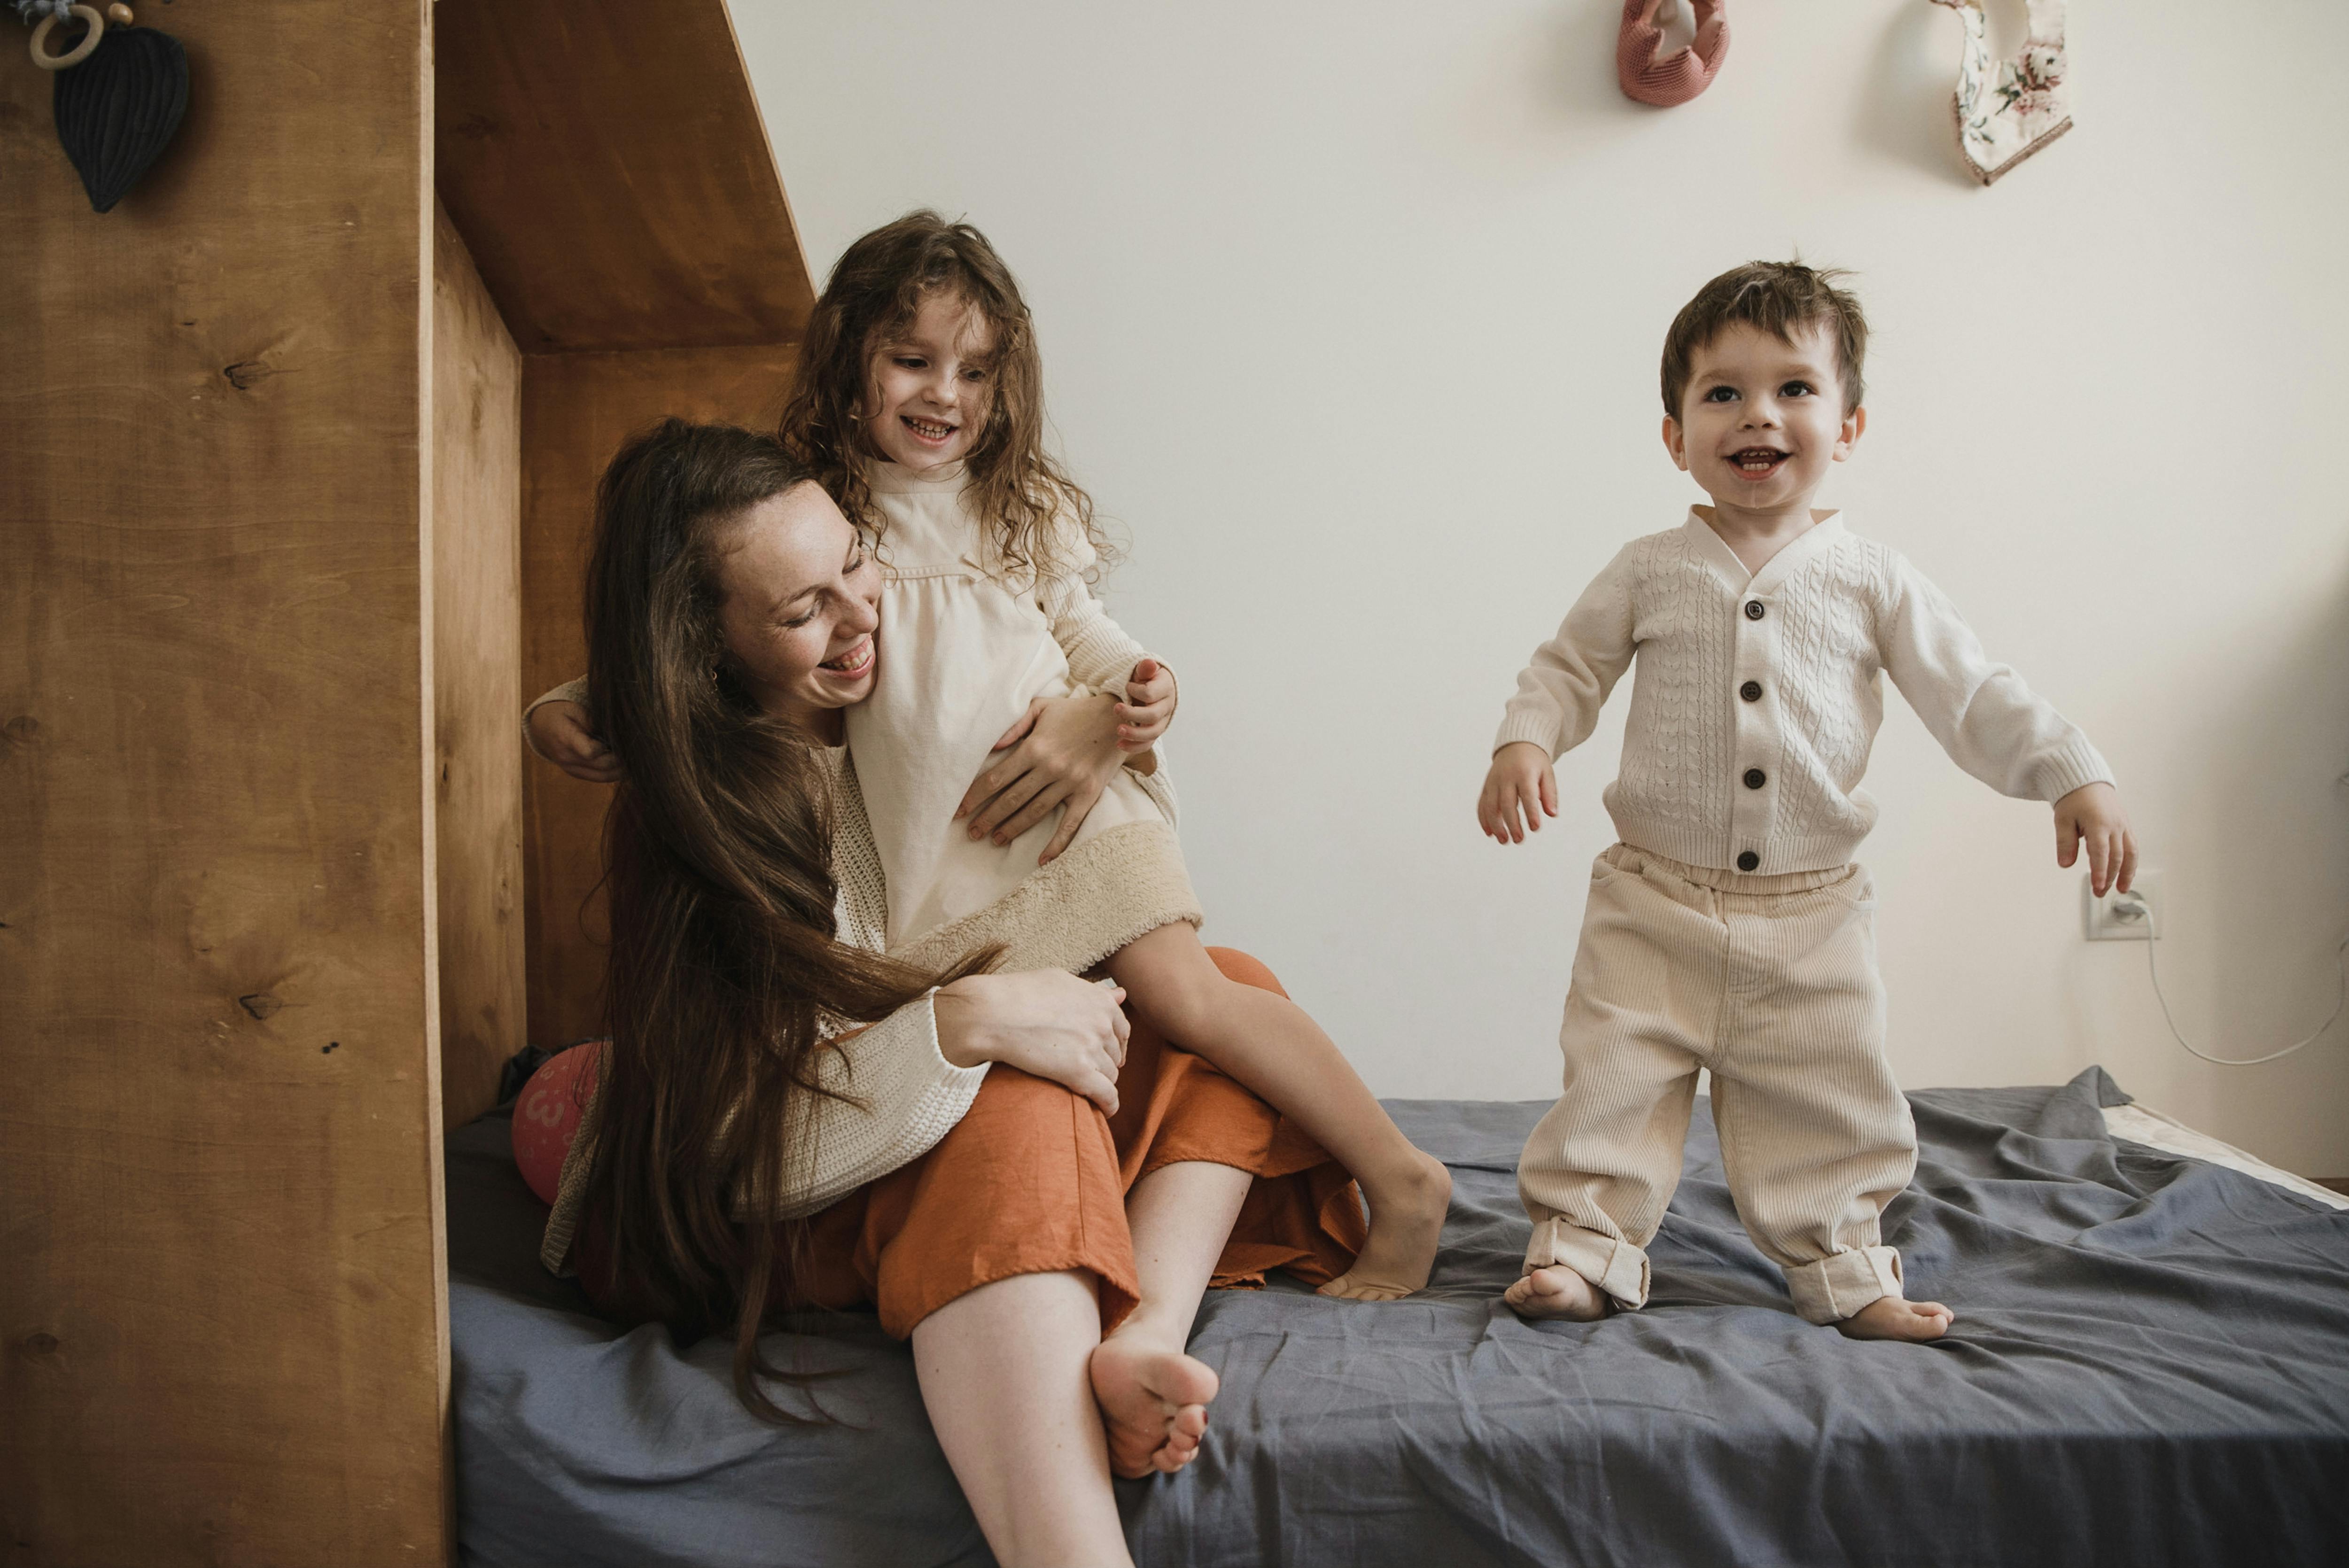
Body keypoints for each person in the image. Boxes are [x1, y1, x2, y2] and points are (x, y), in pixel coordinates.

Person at [533, 211, 1449, 1300]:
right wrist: (573, 701)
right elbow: (702, 626)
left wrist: (1136, 695)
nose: (945, 396)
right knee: (1069, 1048)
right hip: (951, 853)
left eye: (975, 371)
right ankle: (1119, 1259)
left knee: (1196, 999)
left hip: (1070, 819)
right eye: (911, 361)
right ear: (848, 362)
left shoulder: (1021, 507)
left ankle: (1400, 1177)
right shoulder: (829, 502)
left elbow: (1088, 633)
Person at [524, 420, 1366, 1567]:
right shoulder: (699, 817)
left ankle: (1143, 1332)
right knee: (1022, 1102)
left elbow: (1033, 638)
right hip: (773, 1184)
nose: (866, 614)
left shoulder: (902, 693)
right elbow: (729, 1136)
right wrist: (966, 1023)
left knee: (1218, 997)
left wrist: (1095, 718)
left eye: (855, 563)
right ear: (704, 647)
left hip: (901, 1116)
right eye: (801, 610)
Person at [1476, 260, 2137, 1341]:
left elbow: (1971, 692)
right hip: (1650, 904)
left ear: (1850, 422)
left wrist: (2073, 770)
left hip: (1812, 914)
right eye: (1721, 393)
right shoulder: (1647, 569)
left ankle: (1842, 1265)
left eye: (1793, 388)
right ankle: (1584, 1246)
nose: (1758, 416)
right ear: (1673, 433)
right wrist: (1524, 738)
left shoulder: (1872, 577)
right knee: (1613, 1081)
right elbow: (1566, 669)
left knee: (1830, 1098)